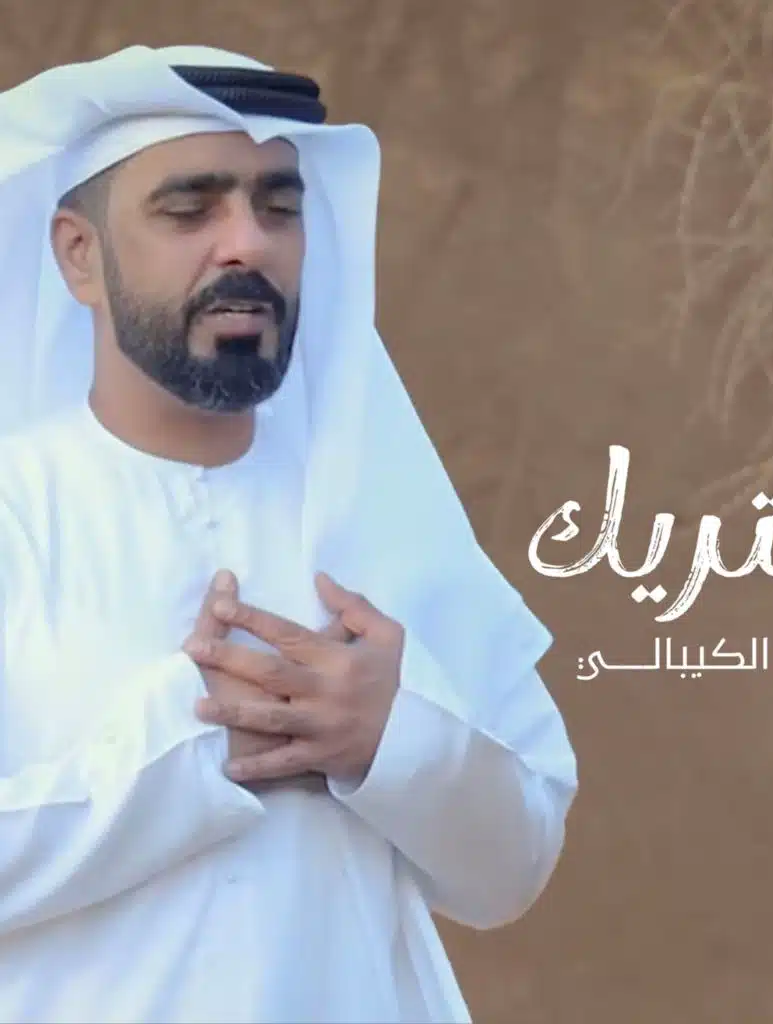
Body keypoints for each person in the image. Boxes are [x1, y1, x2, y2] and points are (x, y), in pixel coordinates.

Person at [0, 44, 577, 1023]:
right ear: (79, 255)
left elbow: (512, 868)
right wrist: (203, 738)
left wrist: (390, 739)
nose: (248, 245)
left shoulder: (374, 508)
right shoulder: (18, 509)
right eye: (190, 209)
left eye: (278, 207)